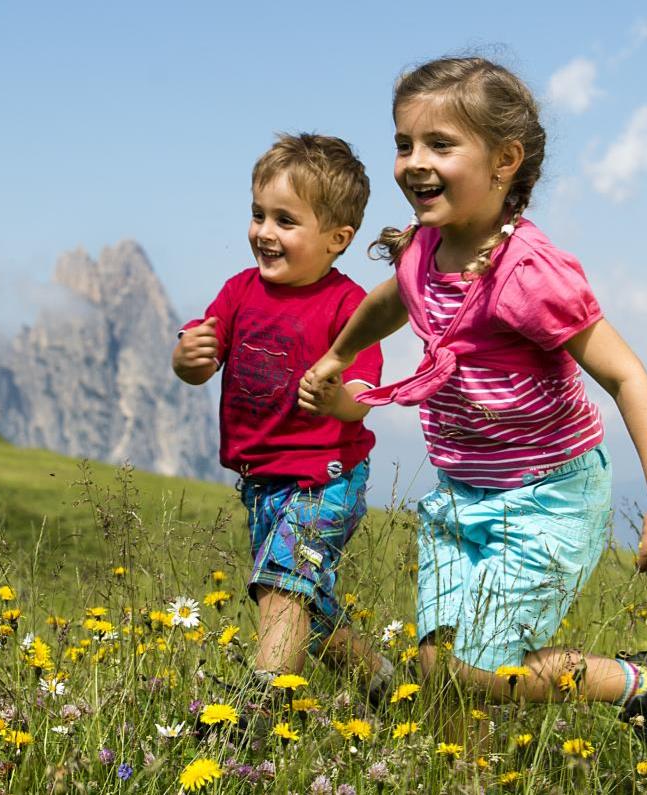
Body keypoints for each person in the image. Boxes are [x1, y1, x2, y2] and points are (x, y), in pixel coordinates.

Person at [299, 56, 647, 783]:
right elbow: (390, 298)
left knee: (473, 667)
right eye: (405, 143)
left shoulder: (530, 275)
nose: (414, 162)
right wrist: (339, 353)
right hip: (464, 492)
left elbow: (625, 375)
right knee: (438, 669)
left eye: (440, 144)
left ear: (505, 161)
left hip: (547, 495)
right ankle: (467, 776)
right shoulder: (426, 247)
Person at [172, 133, 394, 706]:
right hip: (262, 482)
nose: (265, 232)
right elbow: (201, 358)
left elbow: (365, 394)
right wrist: (187, 359)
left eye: (286, 221)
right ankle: (384, 684)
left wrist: (335, 398)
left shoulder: (349, 306)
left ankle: (255, 710)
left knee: (281, 588)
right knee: (307, 608)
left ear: (336, 239)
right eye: (258, 215)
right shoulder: (239, 291)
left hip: (324, 479)